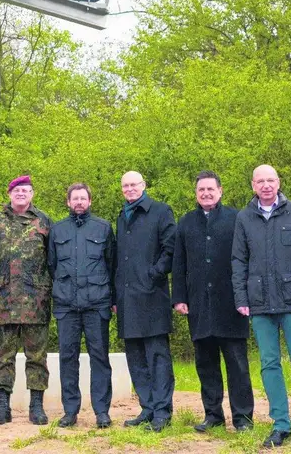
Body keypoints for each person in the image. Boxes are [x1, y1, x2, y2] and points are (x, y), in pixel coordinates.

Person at [231, 165, 291, 451]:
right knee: (269, 364)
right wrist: (241, 298)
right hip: (259, 303)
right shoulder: (244, 217)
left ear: (279, 182)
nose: (266, 185)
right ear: (253, 185)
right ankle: (280, 424)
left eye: (270, 180)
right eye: (260, 181)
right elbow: (238, 260)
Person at [173, 171, 254, 433]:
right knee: (206, 364)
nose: (206, 193)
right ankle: (213, 415)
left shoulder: (236, 218)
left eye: (210, 189)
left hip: (232, 304)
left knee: (237, 365)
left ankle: (243, 418)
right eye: (201, 190)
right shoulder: (186, 222)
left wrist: (246, 295)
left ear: (220, 191)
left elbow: (247, 259)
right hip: (199, 304)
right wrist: (179, 298)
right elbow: (179, 264)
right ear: (195, 193)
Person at [0, 175, 55, 425]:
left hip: (36, 301)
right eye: (16, 190)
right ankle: (3, 406)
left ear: (32, 194)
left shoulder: (44, 221)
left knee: (37, 356)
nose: (21, 194)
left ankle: (37, 406)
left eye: (25, 190)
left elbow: (54, 260)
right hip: (3, 300)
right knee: (3, 356)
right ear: (9, 194)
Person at [47, 182, 116, 429]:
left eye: (83, 198)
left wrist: (112, 299)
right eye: (74, 198)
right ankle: (70, 411)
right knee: (68, 358)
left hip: (97, 304)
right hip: (66, 306)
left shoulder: (103, 228)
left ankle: (102, 411)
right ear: (68, 202)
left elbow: (112, 265)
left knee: (100, 358)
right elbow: (52, 265)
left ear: (90, 201)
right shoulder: (57, 230)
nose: (79, 202)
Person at [113, 170, 177, 431]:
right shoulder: (122, 215)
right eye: (125, 186)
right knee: (135, 356)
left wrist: (154, 274)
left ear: (144, 185)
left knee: (157, 356)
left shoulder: (161, 211)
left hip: (152, 295)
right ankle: (147, 408)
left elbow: (170, 249)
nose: (130, 189)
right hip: (127, 298)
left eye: (134, 184)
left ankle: (162, 411)